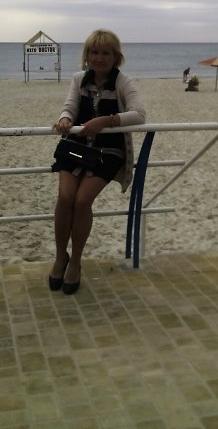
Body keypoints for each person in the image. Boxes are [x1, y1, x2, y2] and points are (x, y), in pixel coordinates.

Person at [50, 29, 146, 295]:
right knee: (65, 197)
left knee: (82, 201)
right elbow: (69, 107)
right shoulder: (79, 79)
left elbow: (139, 115)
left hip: (108, 151)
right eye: (94, 52)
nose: (99, 58)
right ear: (87, 55)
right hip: (76, 147)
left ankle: (76, 261)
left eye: (105, 53)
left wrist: (107, 121)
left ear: (116, 57)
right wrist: (65, 120)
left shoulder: (123, 82)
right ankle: (60, 256)